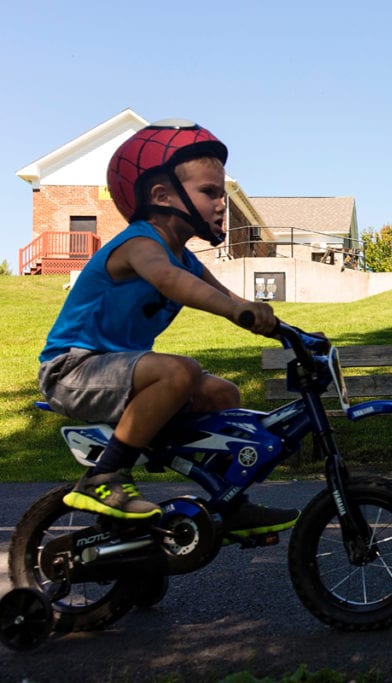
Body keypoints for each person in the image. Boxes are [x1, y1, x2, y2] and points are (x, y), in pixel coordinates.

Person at [38, 119, 301, 534]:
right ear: (162, 195)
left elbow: (231, 300)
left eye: (222, 193)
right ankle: (103, 478)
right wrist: (236, 312)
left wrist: (290, 332)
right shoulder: (141, 244)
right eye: (209, 192)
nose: (221, 204)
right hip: (73, 369)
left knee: (222, 393)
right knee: (180, 371)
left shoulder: (186, 259)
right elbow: (169, 280)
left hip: (122, 370)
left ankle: (226, 499)